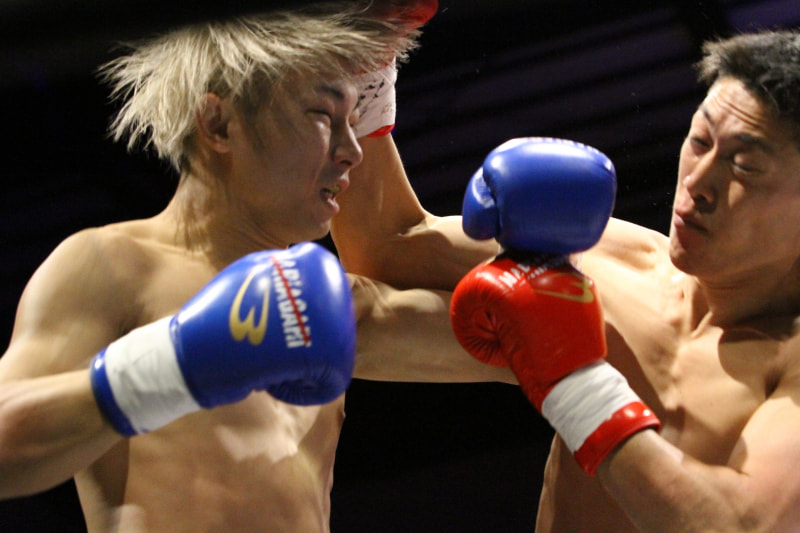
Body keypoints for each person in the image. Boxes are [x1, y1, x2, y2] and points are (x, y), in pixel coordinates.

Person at [0, 2, 511, 532]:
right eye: (323, 116)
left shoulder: (326, 306)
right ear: (219, 123)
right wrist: (174, 365)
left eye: (354, 122)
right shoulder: (115, 266)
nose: (353, 152)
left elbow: (529, 341)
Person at [450, 29, 800, 532]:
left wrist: (577, 386)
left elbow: (738, 527)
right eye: (699, 141)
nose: (697, 182)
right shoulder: (600, 258)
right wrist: (368, 73)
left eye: (743, 166)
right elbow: (388, 252)